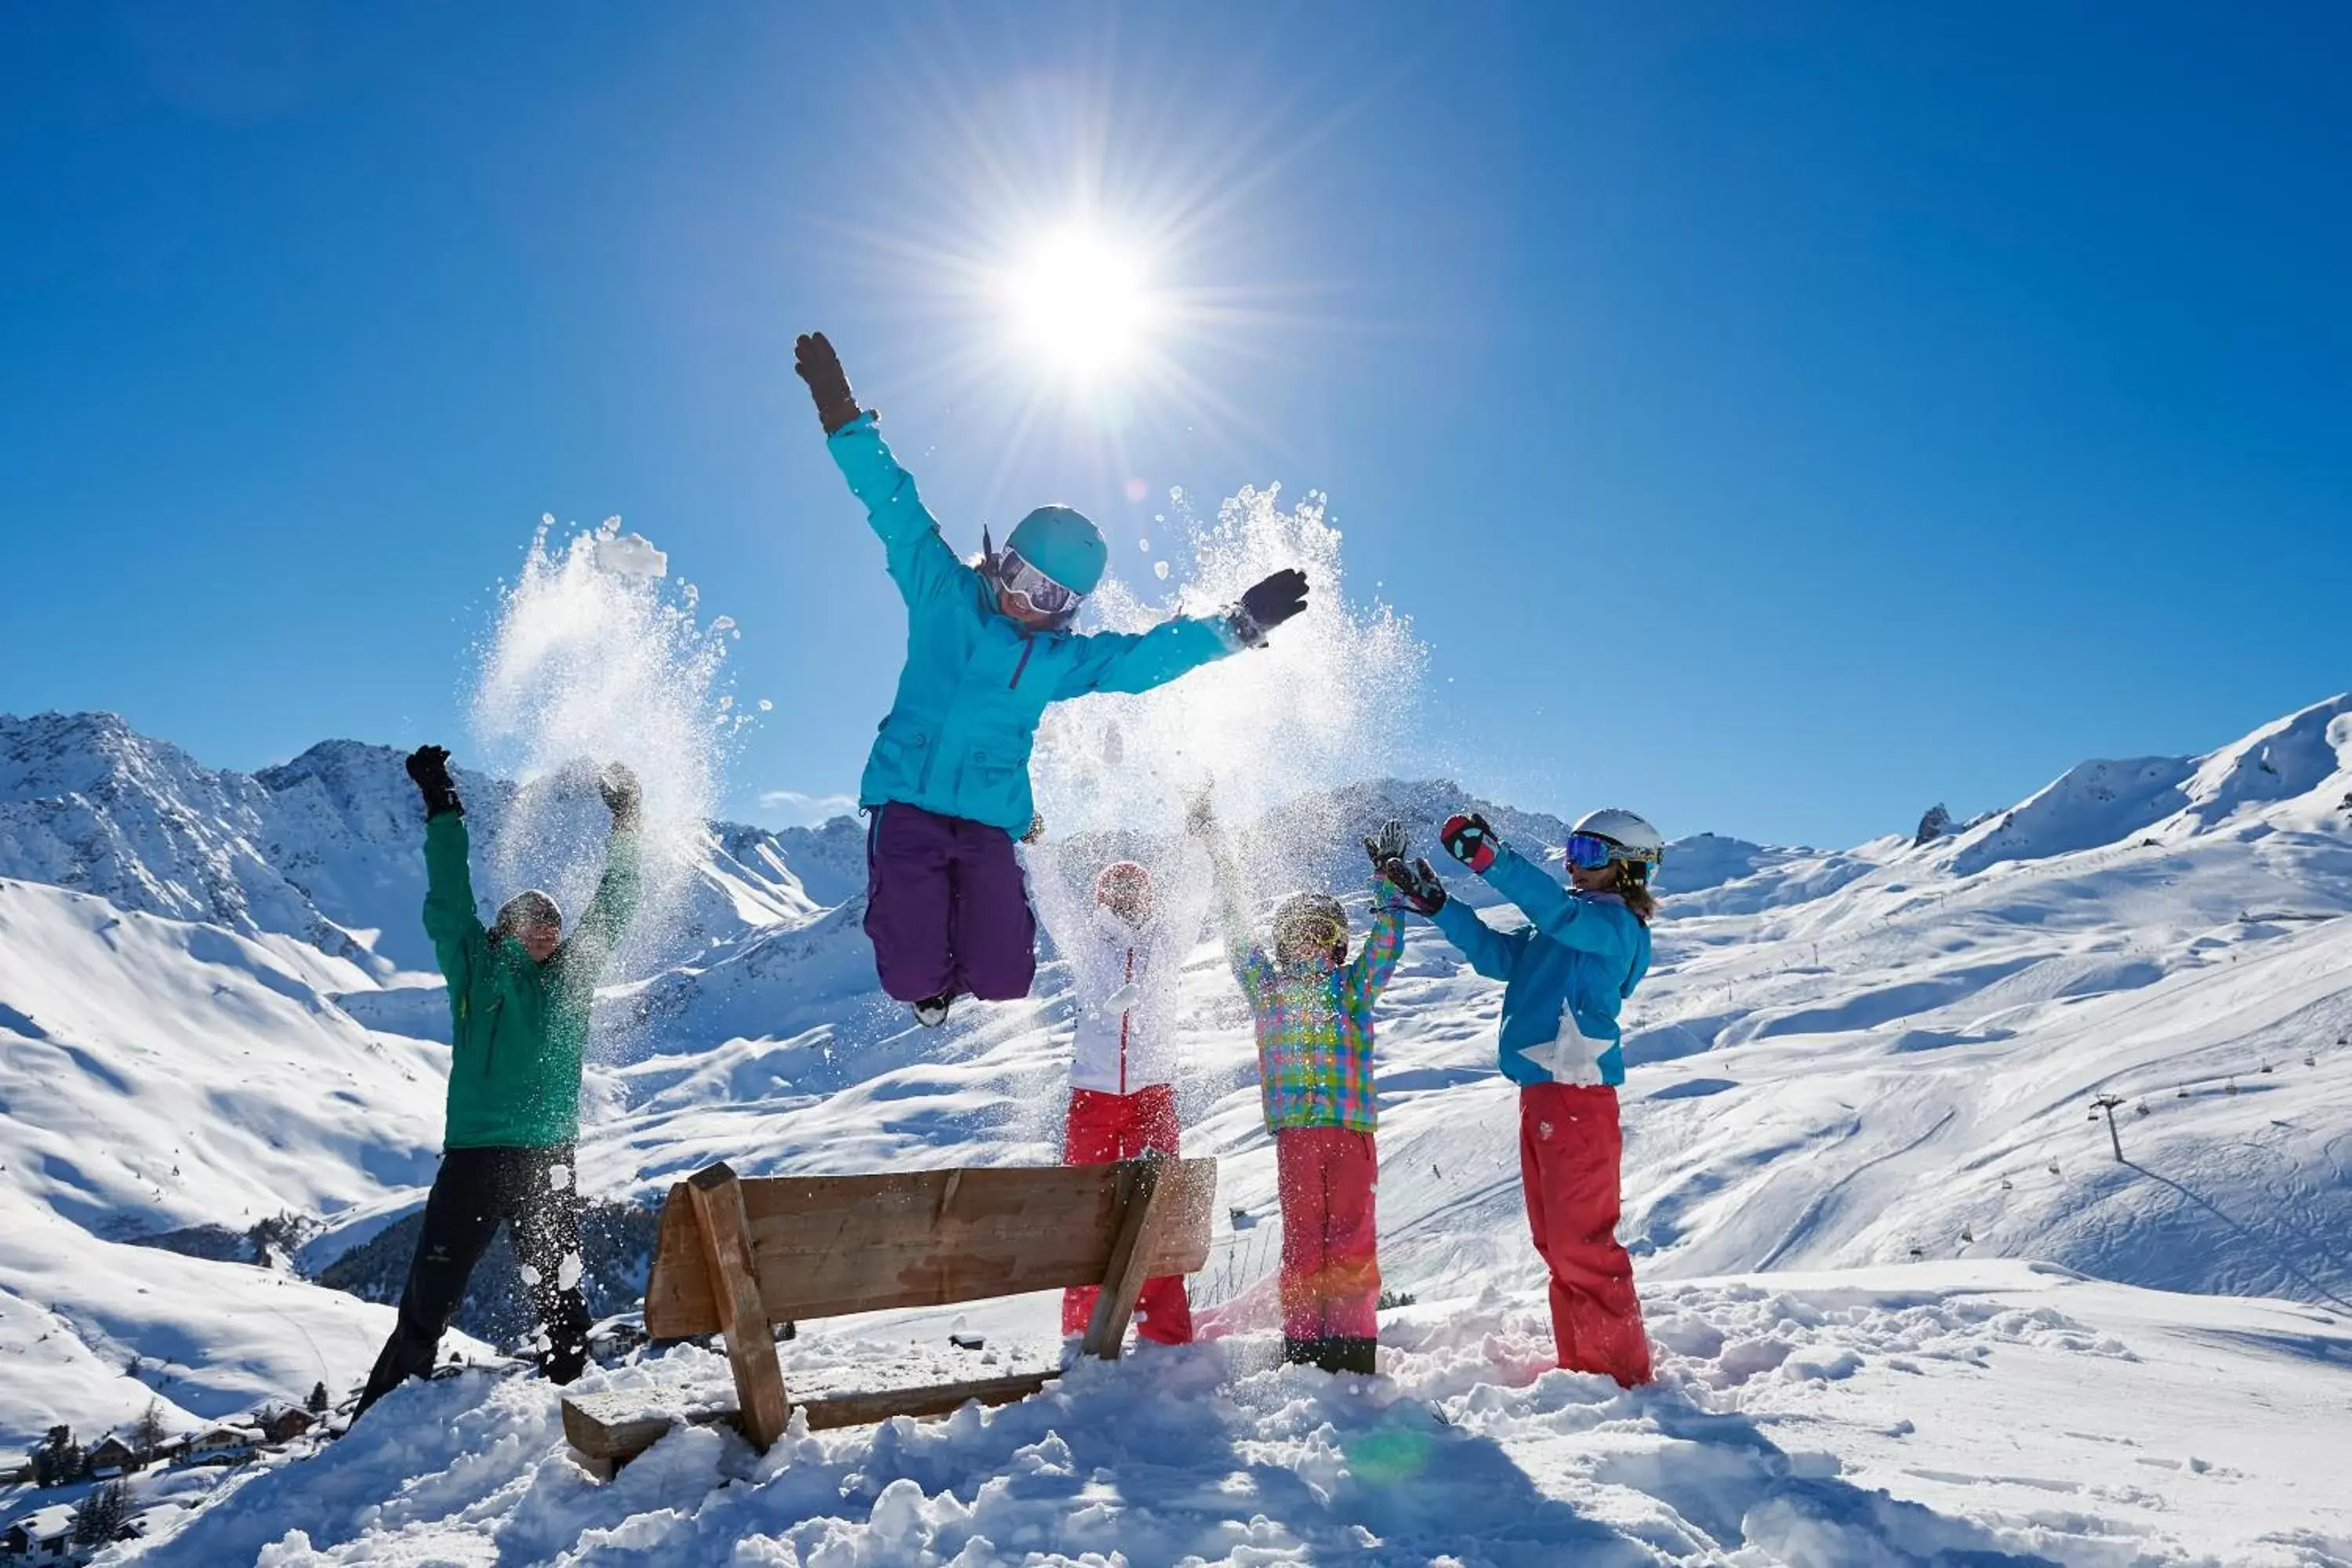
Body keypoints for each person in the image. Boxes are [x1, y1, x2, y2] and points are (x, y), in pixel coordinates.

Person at [791, 331, 1311, 1027]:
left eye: (1050, 598)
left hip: (987, 818)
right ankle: (929, 982)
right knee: (911, 974)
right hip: (908, 801)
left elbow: (1140, 660)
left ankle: (963, 957)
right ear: (999, 560)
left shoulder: (1056, 661)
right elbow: (894, 506)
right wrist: (840, 412)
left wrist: (1239, 625)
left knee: (1007, 977)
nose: (1025, 603)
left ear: (1069, 611)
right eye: (1021, 580)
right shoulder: (941, 592)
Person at [352, 745, 642, 1421]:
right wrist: (441, 806)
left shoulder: (573, 977)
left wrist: (628, 819)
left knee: (560, 1299)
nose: (548, 929)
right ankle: (376, 1419)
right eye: (534, 919)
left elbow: (619, 900)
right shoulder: (475, 968)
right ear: (506, 925)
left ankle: (574, 1407)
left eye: (554, 922)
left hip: (547, 1158)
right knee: (431, 1295)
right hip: (476, 1156)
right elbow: (447, 895)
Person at [1375, 808, 1662, 1388]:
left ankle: (1621, 1374)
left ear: (1630, 871)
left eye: (1590, 855)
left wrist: (1491, 860)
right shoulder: (1564, 925)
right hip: (1543, 1093)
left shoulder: (1615, 929)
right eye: (1571, 852)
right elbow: (1496, 955)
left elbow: (1555, 912)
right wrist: (1437, 903)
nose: (1573, 866)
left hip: (1578, 1094)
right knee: (1555, 1241)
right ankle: (1586, 1369)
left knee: (1583, 1242)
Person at [1191, 799, 1406, 1375]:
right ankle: (1306, 1346)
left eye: (1321, 933)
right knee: (1304, 1244)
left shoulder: (1352, 990)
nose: (1308, 945)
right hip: (1298, 1139)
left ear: (1338, 943)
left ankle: (1353, 1345)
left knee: (1351, 1240)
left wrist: (1387, 884)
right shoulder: (1269, 990)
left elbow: (1385, 948)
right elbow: (1238, 941)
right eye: (1297, 935)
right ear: (1283, 944)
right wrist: (1222, 860)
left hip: (1350, 1132)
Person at [1027, 845, 1214, 1345]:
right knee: (1088, 1215)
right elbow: (1054, 904)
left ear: (1149, 897)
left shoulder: (1165, 944)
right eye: (1118, 890)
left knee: (1157, 1212)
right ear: (1103, 898)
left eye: (1137, 890)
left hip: (1152, 1093)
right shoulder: (1087, 942)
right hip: (1094, 1095)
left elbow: (1194, 903)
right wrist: (1035, 848)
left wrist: (1197, 835)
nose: (1129, 899)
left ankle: (1166, 1338)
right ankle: (1082, 1335)